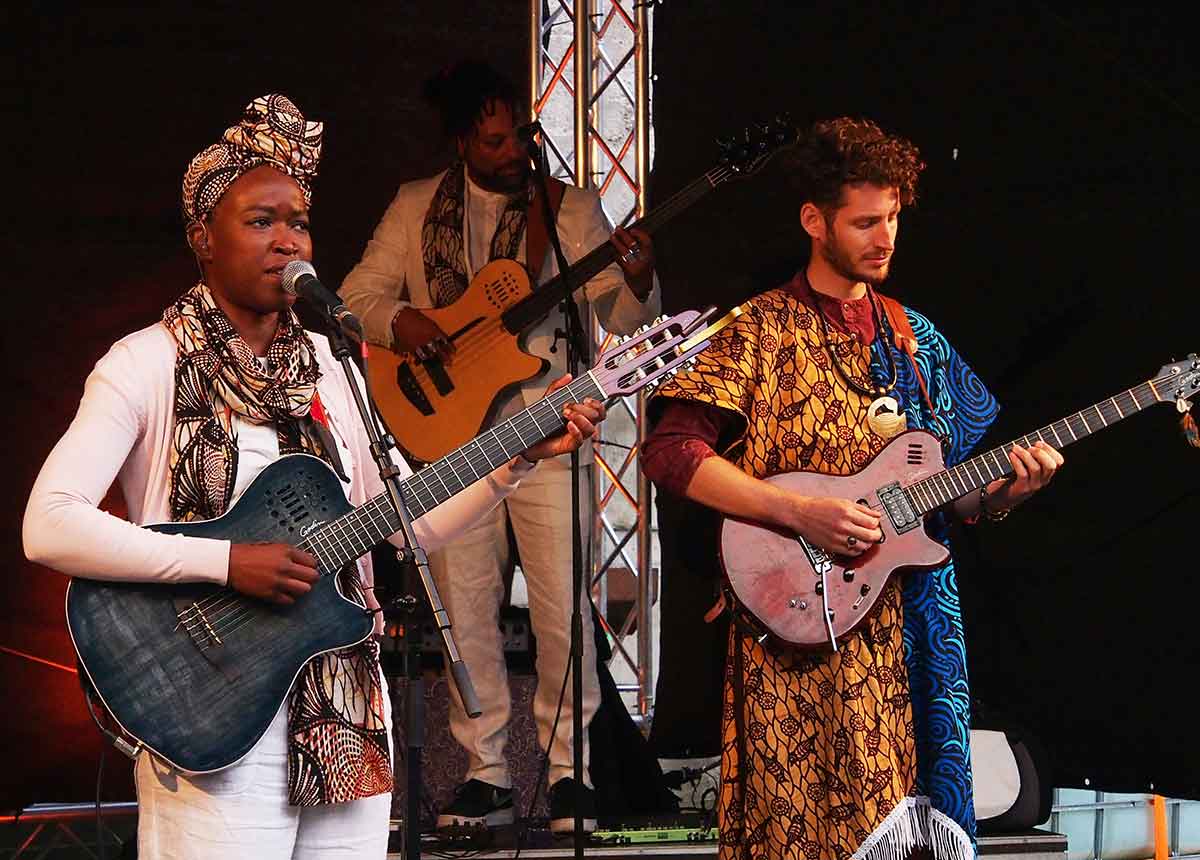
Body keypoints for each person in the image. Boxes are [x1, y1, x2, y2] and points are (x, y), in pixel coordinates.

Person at [22, 93, 605, 860]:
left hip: (345, 706)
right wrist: (227, 560)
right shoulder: (147, 362)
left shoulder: (333, 367)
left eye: (296, 221)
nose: (285, 239)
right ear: (203, 236)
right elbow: (50, 522)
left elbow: (398, 522)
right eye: (259, 221)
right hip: (213, 706)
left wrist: (515, 458)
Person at [641, 117, 1064, 860]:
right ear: (815, 221)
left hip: (912, 634)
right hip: (797, 632)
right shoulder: (758, 332)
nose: (885, 237)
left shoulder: (916, 338)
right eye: (865, 221)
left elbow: (957, 496)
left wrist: (1006, 494)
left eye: (894, 218)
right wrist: (798, 509)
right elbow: (671, 453)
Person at [340, 60, 661, 832]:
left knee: (563, 610)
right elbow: (355, 297)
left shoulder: (568, 207)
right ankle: (483, 772)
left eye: (517, 134)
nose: (512, 150)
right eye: (492, 141)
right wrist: (404, 323)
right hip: (452, 436)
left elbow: (617, 320)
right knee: (466, 608)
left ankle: (569, 775)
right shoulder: (416, 207)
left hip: (551, 426)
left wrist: (639, 276)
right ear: (460, 143)